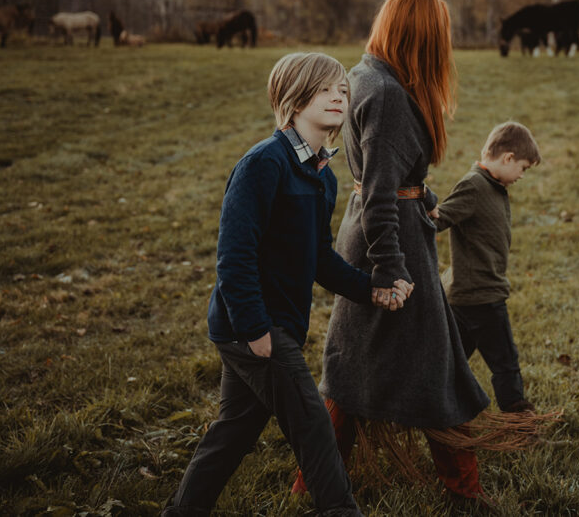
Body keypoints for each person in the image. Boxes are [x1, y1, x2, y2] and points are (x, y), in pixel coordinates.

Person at [292, 0, 533, 506]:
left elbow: (387, 180)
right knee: (432, 367)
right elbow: (380, 194)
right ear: (422, 35)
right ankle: (462, 491)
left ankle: (310, 484)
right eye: (440, 35)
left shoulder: (366, 75)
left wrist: (421, 194)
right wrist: (391, 272)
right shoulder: (389, 95)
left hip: (379, 230)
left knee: (355, 364)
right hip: (389, 244)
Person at [162, 52, 412, 517]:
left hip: (272, 327)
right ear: (294, 98)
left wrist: (371, 288)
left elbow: (318, 259)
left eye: (342, 90)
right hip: (254, 329)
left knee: (232, 434)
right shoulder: (264, 164)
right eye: (324, 90)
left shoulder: (322, 175)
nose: (338, 97)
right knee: (314, 426)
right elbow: (233, 256)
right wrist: (256, 329)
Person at [431, 121, 541, 413]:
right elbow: (438, 220)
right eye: (523, 168)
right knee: (506, 362)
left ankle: (435, 409)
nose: (521, 175)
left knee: (451, 365)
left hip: (467, 295)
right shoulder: (475, 185)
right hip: (483, 295)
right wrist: (421, 208)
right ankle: (519, 420)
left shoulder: (493, 185)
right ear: (507, 158)